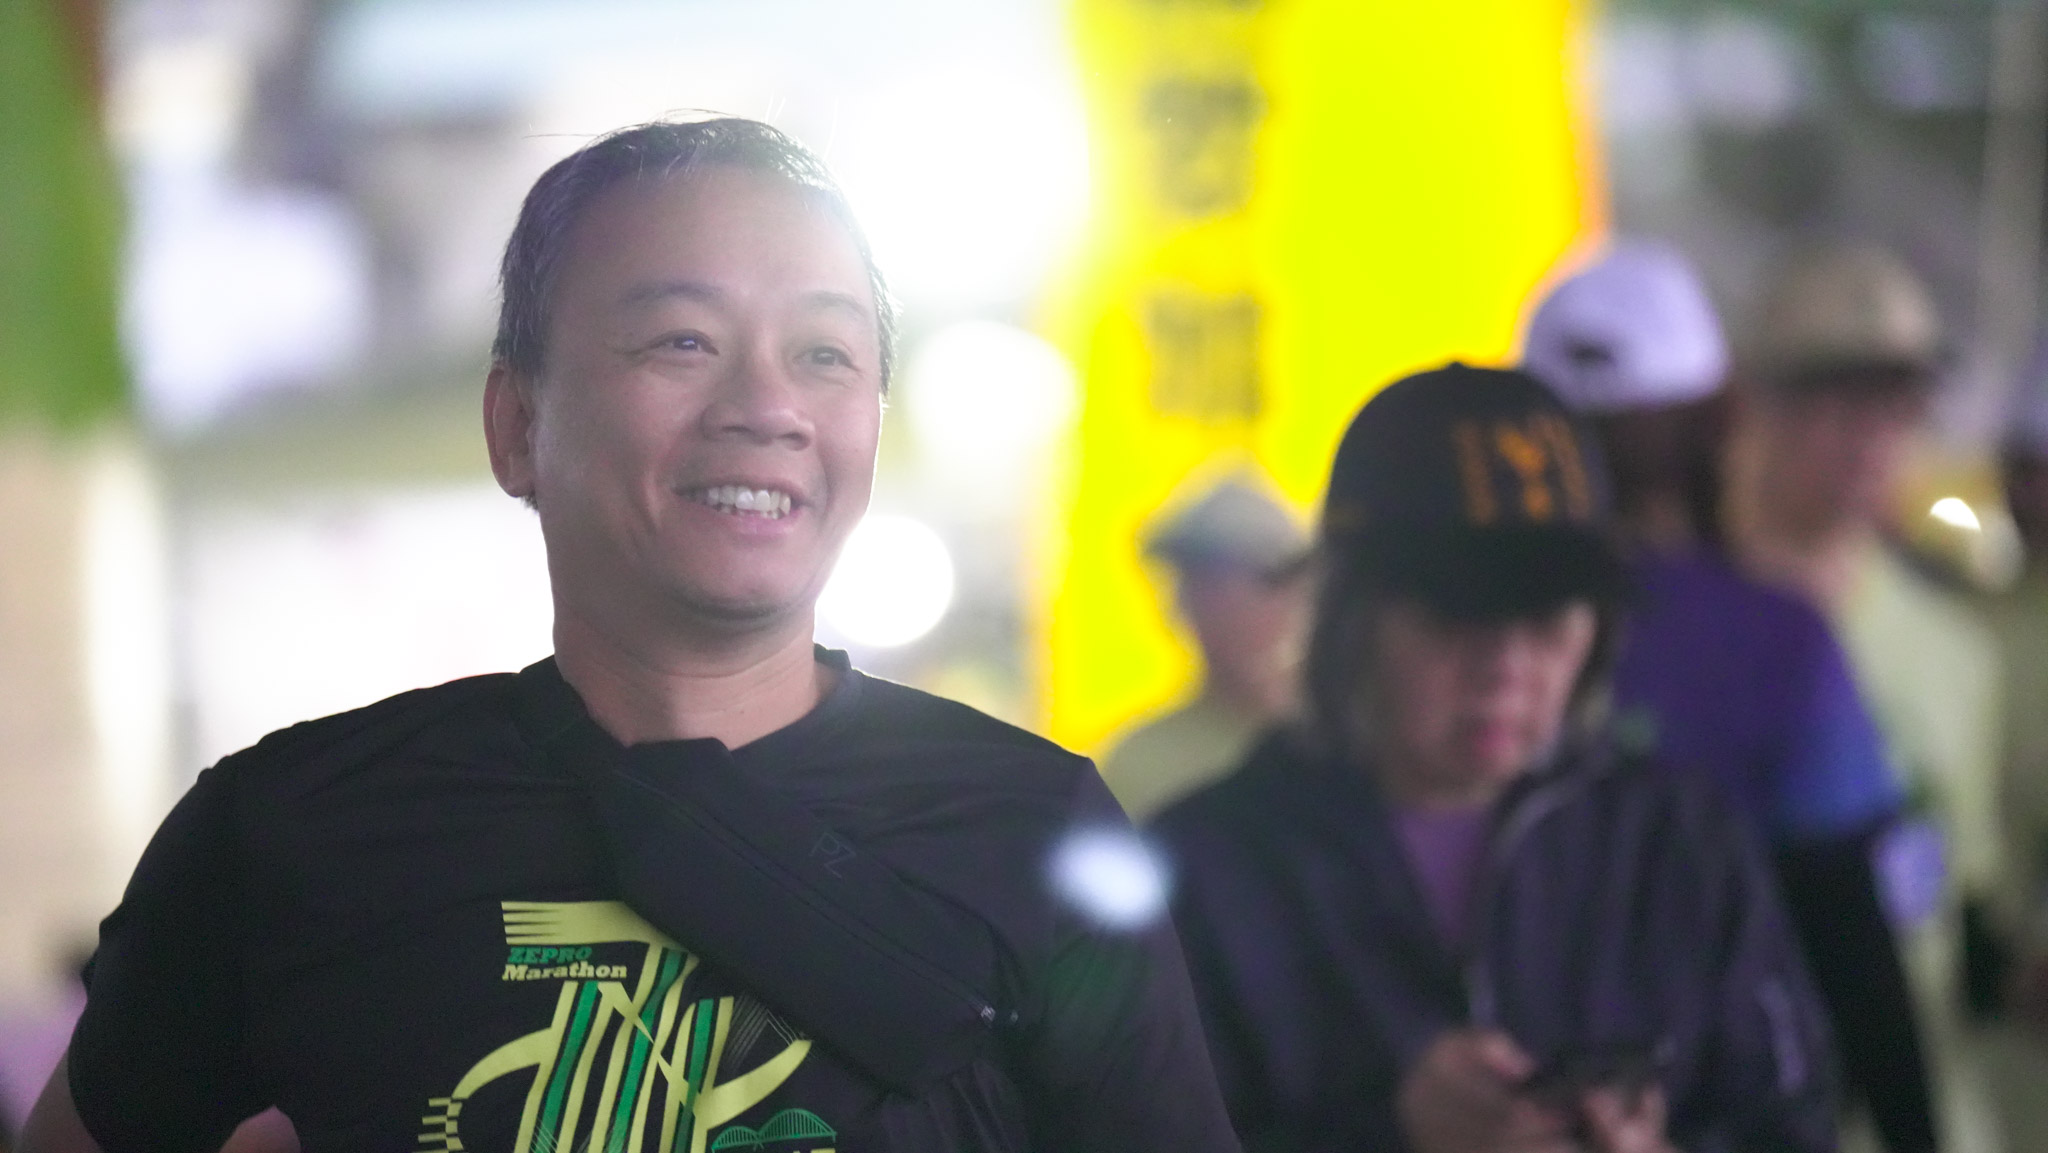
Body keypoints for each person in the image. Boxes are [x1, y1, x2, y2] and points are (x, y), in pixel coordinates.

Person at [20, 119, 1239, 1153]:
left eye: (824, 354)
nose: (766, 405)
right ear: (516, 426)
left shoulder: (1032, 827)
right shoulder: (295, 828)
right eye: (681, 342)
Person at [1156, 363, 1838, 1153]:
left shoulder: (1678, 840)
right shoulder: (1210, 868)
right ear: (1351, 624)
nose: (1506, 669)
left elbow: (1795, 1122)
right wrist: (1387, 1134)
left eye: (1547, 621)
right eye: (1456, 619)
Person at [1524, 243, 1937, 1152]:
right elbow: (1849, 929)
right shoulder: (1772, 640)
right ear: (1721, 419)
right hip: (1729, 1103)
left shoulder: (1443, 642)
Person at [1723, 242, 2007, 1153]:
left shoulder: (1961, 651)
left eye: (1898, 401)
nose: (1870, 435)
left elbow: (1961, 911)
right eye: (1835, 400)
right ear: (1756, 406)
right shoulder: (1680, 637)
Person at [1099, 473, 1308, 820]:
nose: (1221, 609)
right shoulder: (1138, 765)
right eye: (1202, 585)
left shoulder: (1351, 749)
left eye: (1246, 584)